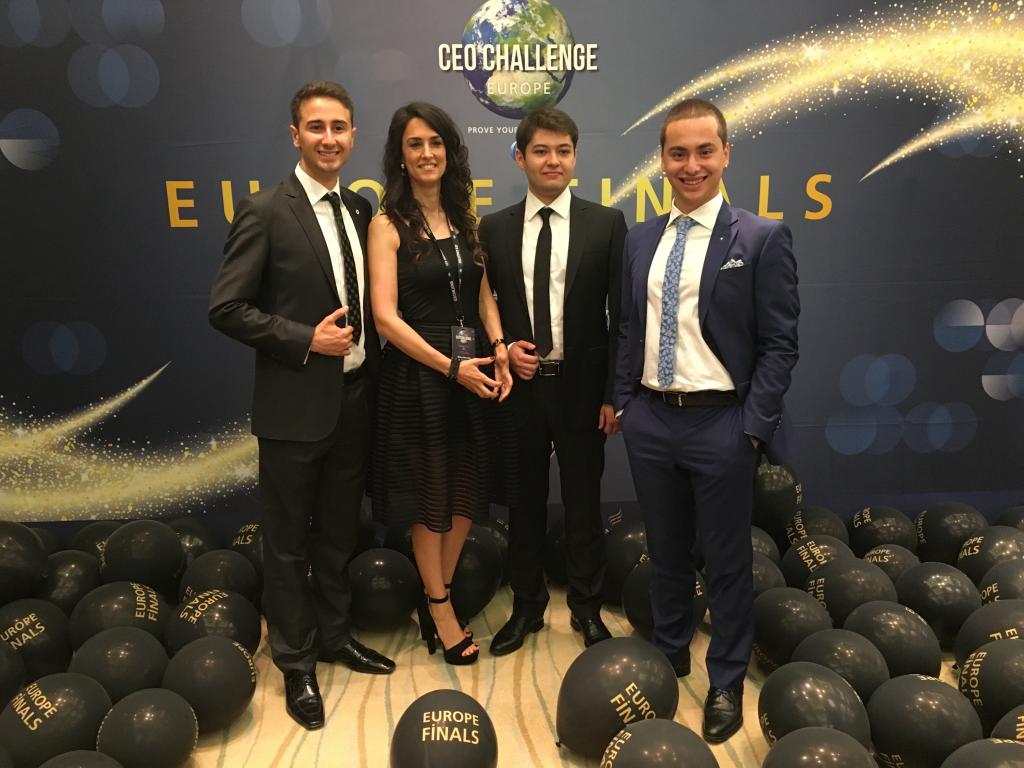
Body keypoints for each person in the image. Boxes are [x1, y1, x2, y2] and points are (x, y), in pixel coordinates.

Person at [209, 80, 395, 732]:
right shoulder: (265, 211)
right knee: (287, 545)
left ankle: (336, 636)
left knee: (340, 532)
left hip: (356, 401)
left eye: (339, 127)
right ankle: (295, 662)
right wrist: (304, 339)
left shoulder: (362, 209)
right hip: (292, 409)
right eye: (316, 127)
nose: (329, 138)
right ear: (295, 135)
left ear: (353, 134)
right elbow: (226, 307)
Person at [614, 98, 799, 743]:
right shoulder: (640, 238)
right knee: (665, 554)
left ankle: (725, 679)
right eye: (677, 153)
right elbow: (628, 328)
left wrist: (752, 427)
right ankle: (669, 658)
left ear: (726, 154)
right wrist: (626, 402)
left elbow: (780, 344)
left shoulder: (761, 237)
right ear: (662, 160)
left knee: (726, 562)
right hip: (651, 421)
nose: (690, 165)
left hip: (723, 425)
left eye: (703, 151)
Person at [368, 102, 513, 667]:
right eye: (415, 144)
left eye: (435, 142)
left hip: (472, 372)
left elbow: (482, 293)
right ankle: (440, 608)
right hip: (421, 377)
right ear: (400, 156)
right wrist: (450, 367)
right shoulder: (387, 225)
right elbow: (385, 319)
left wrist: (497, 346)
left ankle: (438, 596)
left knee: (464, 496)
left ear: (449, 151)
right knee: (431, 499)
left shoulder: (463, 218)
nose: (427, 153)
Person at [479, 107, 627, 655]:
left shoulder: (606, 224)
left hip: (583, 391)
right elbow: (484, 306)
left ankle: (586, 610)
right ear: (520, 158)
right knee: (524, 506)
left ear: (575, 157)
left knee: (584, 504)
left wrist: (613, 394)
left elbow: (621, 317)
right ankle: (527, 607)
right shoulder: (494, 228)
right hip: (519, 389)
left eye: (563, 151)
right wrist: (503, 350)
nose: (553, 161)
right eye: (541, 151)